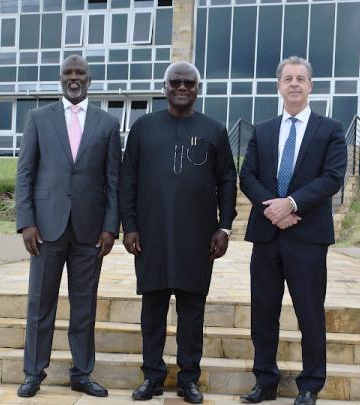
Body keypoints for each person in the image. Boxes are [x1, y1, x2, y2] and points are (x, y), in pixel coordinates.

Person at [119, 61, 237, 404]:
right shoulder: (143, 128)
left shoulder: (214, 130)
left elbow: (228, 179)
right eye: (175, 82)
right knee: (152, 311)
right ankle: (152, 377)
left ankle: (188, 379)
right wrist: (130, 226)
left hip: (198, 238)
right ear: (165, 86)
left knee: (191, 313)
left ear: (198, 89)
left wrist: (224, 227)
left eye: (189, 83)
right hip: (151, 236)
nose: (182, 87)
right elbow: (128, 179)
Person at [238, 56, 347, 405]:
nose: (295, 84)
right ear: (279, 86)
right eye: (288, 78)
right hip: (268, 236)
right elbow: (247, 176)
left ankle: (311, 385)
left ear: (310, 85)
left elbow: (332, 178)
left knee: (310, 314)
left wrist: (293, 204)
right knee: (263, 314)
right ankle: (265, 381)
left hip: (308, 238)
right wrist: (274, 208)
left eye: (301, 78)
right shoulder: (264, 130)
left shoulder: (329, 129)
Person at [15, 54, 121, 398]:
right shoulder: (38, 118)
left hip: (90, 231)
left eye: (80, 73)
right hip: (46, 229)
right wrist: (26, 222)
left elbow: (113, 181)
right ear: (60, 78)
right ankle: (33, 373)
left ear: (90, 79)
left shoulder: (107, 123)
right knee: (39, 303)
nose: (73, 78)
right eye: (68, 73)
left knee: (84, 305)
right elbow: (25, 173)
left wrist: (110, 227)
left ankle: (82, 373)